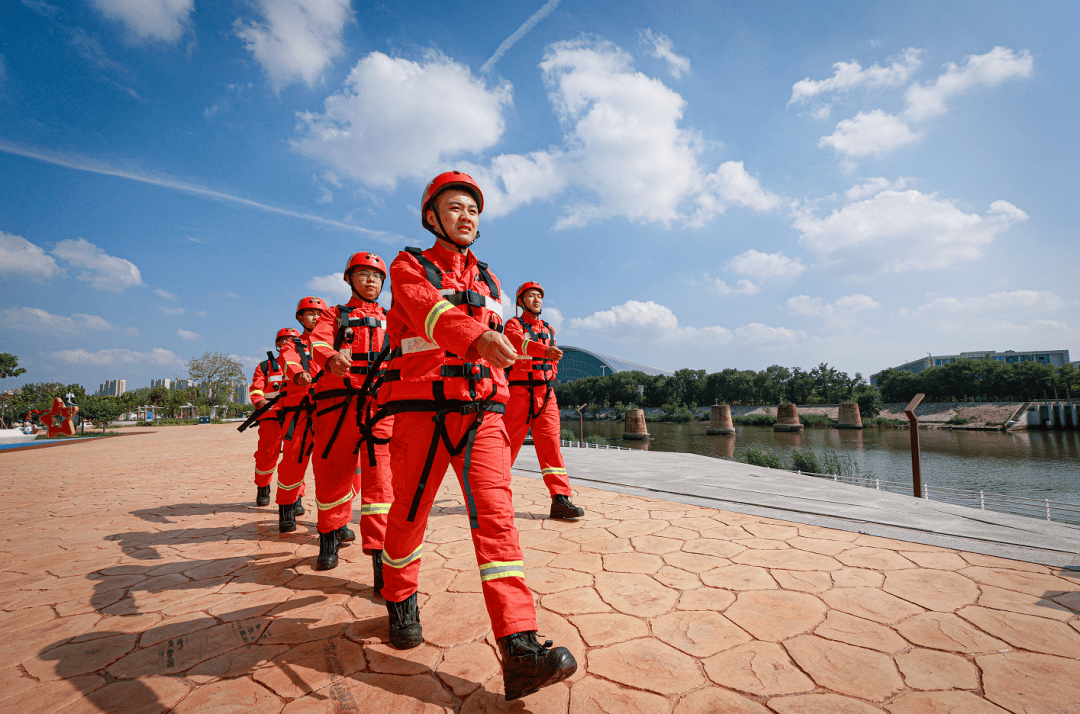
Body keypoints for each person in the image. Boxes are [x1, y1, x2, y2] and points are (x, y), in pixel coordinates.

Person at [376, 171, 576, 701]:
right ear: (431, 216)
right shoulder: (407, 265)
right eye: (456, 207)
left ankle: (519, 646)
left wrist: (532, 351)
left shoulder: (490, 279)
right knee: (408, 514)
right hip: (421, 409)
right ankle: (399, 597)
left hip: (482, 411)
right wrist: (475, 338)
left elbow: (502, 335)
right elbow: (429, 310)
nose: (467, 217)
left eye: (473, 210)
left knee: (497, 519)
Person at [306, 253, 395, 587]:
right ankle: (329, 535)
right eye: (362, 274)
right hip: (338, 406)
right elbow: (317, 341)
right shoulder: (334, 314)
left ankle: (380, 558)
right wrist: (330, 358)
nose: (370, 280)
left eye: (376, 276)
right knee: (333, 474)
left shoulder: (391, 318)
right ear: (349, 279)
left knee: (380, 483)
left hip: (378, 408)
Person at [503, 283, 584, 519]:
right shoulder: (513, 325)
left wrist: (550, 374)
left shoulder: (549, 329)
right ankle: (492, 495)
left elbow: (555, 357)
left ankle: (561, 499)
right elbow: (518, 343)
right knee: (507, 447)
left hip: (545, 394)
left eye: (539, 296)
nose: (537, 299)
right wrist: (544, 352)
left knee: (552, 449)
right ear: (521, 301)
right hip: (518, 393)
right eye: (531, 295)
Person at [274, 296, 328, 532]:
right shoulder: (292, 344)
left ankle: (336, 521)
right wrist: (297, 374)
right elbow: (287, 361)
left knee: (337, 466)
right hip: (301, 411)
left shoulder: (335, 341)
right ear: (300, 317)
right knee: (293, 462)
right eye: (310, 314)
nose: (315, 318)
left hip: (331, 410)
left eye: (319, 314)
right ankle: (287, 508)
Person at [246, 328, 296, 506]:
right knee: (266, 455)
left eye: (292, 339)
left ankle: (296, 496)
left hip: (294, 416)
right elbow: (256, 387)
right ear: (277, 344)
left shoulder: (304, 365)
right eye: (284, 340)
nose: (288, 342)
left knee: (295, 457)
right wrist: (259, 401)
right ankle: (263, 486)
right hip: (270, 416)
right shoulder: (265, 366)